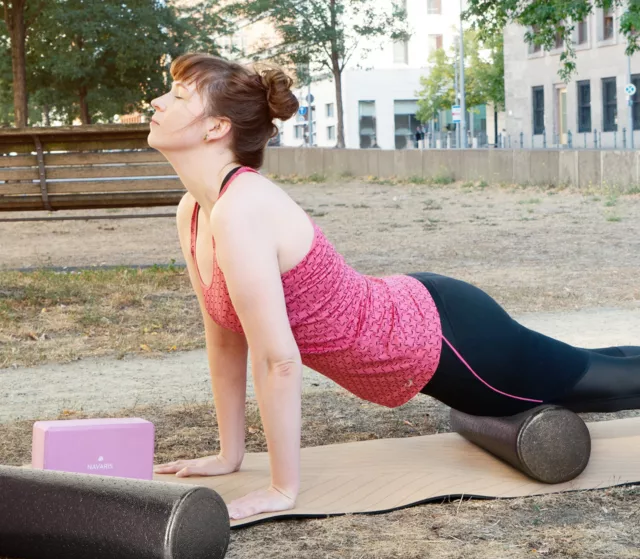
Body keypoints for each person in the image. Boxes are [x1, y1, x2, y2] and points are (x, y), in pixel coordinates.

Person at [149, 52, 640, 521]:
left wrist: (282, 487)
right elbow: (225, 337)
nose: (158, 103)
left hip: (447, 340)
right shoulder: (194, 211)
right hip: (425, 312)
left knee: (601, 381)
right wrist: (228, 455)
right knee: (594, 363)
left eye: (177, 95)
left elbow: (277, 360)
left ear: (217, 128)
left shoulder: (242, 208)